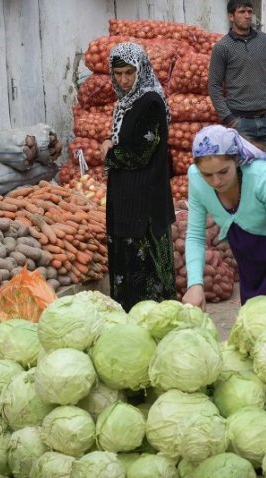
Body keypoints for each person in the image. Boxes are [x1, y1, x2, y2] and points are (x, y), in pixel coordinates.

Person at [181, 125, 266, 336]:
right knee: (255, 319)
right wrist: (195, 284)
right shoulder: (196, 179)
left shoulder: (263, 177)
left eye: (223, 172)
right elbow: (195, 235)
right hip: (248, 235)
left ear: (236, 160)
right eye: (207, 175)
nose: (216, 181)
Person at [99, 42, 176, 311]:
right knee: (127, 265)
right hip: (126, 197)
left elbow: (140, 153)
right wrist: (113, 144)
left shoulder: (150, 101)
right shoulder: (125, 103)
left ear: (141, 70)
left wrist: (108, 153)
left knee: (146, 272)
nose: (124, 79)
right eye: (118, 74)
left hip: (145, 198)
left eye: (129, 73)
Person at [208, 0, 266, 159]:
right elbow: (214, 86)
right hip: (240, 122)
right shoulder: (222, 47)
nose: (247, 16)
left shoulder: (265, 41)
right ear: (231, 16)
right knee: (245, 170)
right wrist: (229, 119)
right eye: (242, 12)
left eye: (250, 12)